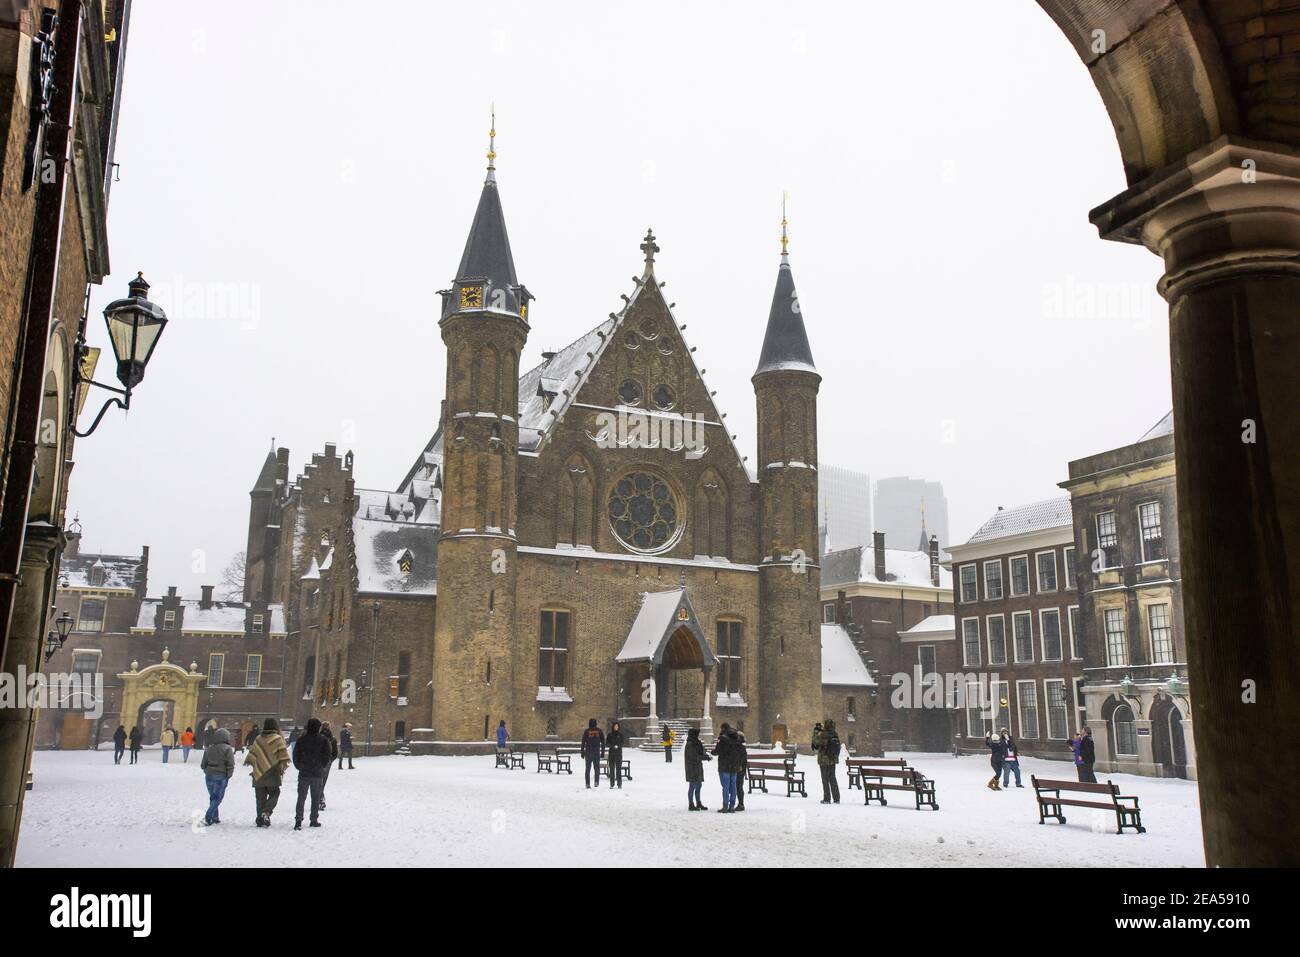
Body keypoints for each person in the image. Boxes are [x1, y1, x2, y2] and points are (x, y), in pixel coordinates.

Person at [245, 718, 291, 828]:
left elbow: (253, 755)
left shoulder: (258, 739)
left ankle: (260, 819)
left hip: (259, 772)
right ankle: (266, 812)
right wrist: (281, 767)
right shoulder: (278, 739)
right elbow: (283, 756)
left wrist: (257, 765)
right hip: (273, 773)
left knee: (260, 797)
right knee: (274, 793)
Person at [292, 718, 331, 829]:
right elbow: (327, 755)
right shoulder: (323, 740)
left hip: (304, 772)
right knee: (315, 798)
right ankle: (314, 819)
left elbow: (296, 755)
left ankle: (298, 820)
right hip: (317, 773)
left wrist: (299, 766)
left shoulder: (301, 740)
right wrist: (322, 766)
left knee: (301, 797)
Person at [199, 728, 234, 825]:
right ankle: (208, 816)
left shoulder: (209, 748)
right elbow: (230, 763)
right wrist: (229, 775)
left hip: (209, 775)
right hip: (221, 775)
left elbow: (203, 764)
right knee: (218, 798)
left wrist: (207, 771)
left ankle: (215, 817)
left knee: (213, 797)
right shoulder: (227, 749)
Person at [711, 724, 743, 813]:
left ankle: (725, 806)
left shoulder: (722, 738)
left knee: (725, 786)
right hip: (734, 765)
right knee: (733, 786)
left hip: (724, 765)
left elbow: (717, 750)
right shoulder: (737, 737)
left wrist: (712, 752)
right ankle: (732, 806)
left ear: (723, 728)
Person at [813, 719, 842, 804]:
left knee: (825, 779)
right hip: (832, 759)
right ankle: (836, 798)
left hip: (824, 760)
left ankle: (827, 798)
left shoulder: (823, 734)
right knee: (833, 778)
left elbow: (815, 742)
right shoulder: (834, 734)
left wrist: (816, 731)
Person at [684, 727, 711, 810]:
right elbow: (695, 756)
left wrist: (705, 755)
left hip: (698, 766)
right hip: (692, 767)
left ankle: (698, 802)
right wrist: (705, 757)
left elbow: (701, 752)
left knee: (699, 785)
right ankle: (691, 804)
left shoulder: (697, 742)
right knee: (692, 785)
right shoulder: (690, 744)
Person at [579, 718, 604, 789]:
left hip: (592, 752)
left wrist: (582, 752)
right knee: (591, 769)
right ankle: (589, 783)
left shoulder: (597, 731)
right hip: (590, 752)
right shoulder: (588, 731)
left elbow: (603, 742)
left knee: (593, 769)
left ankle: (594, 782)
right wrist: (582, 752)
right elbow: (583, 742)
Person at [319, 721, 339, 809]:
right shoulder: (333, 739)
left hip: (317, 762)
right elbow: (335, 753)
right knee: (322, 782)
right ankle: (321, 799)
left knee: (318, 782)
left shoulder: (318, 737)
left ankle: (320, 799)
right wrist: (330, 760)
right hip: (327, 762)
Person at [606, 721, 625, 789]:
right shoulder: (610, 734)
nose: (616, 727)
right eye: (615, 726)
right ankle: (612, 784)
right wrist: (613, 746)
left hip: (618, 754)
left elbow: (623, 742)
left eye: (617, 726)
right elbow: (607, 743)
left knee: (618, 769)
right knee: (612, 769)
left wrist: (618, 746)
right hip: (611, 754)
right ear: (613, 727)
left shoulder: (620, 734)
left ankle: (619, 784)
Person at [733, 728, 748, 811]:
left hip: (739, 770)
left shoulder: (740, 748)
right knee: (738, 786)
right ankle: (740, 803)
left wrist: (740, 766)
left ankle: (741, 804)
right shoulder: (741, 747)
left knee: (738, 786)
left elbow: (742, 760)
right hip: (739, 769)